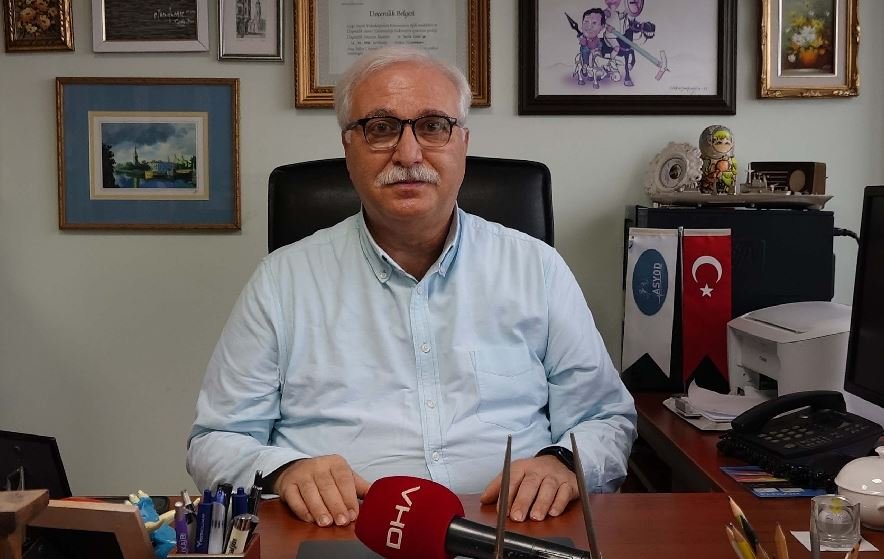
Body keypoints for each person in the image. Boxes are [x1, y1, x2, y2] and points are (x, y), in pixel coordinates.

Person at [186, 46, 636, 529]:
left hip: (512, 529)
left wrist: (563, 463)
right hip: (342, 531)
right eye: (381, 128)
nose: (408, 154)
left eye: (433, 126)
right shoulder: (282, 281)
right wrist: (284, 470)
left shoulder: (536, 268)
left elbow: (605, 418)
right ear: (348, 147)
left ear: (463, 142)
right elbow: (215, 440)